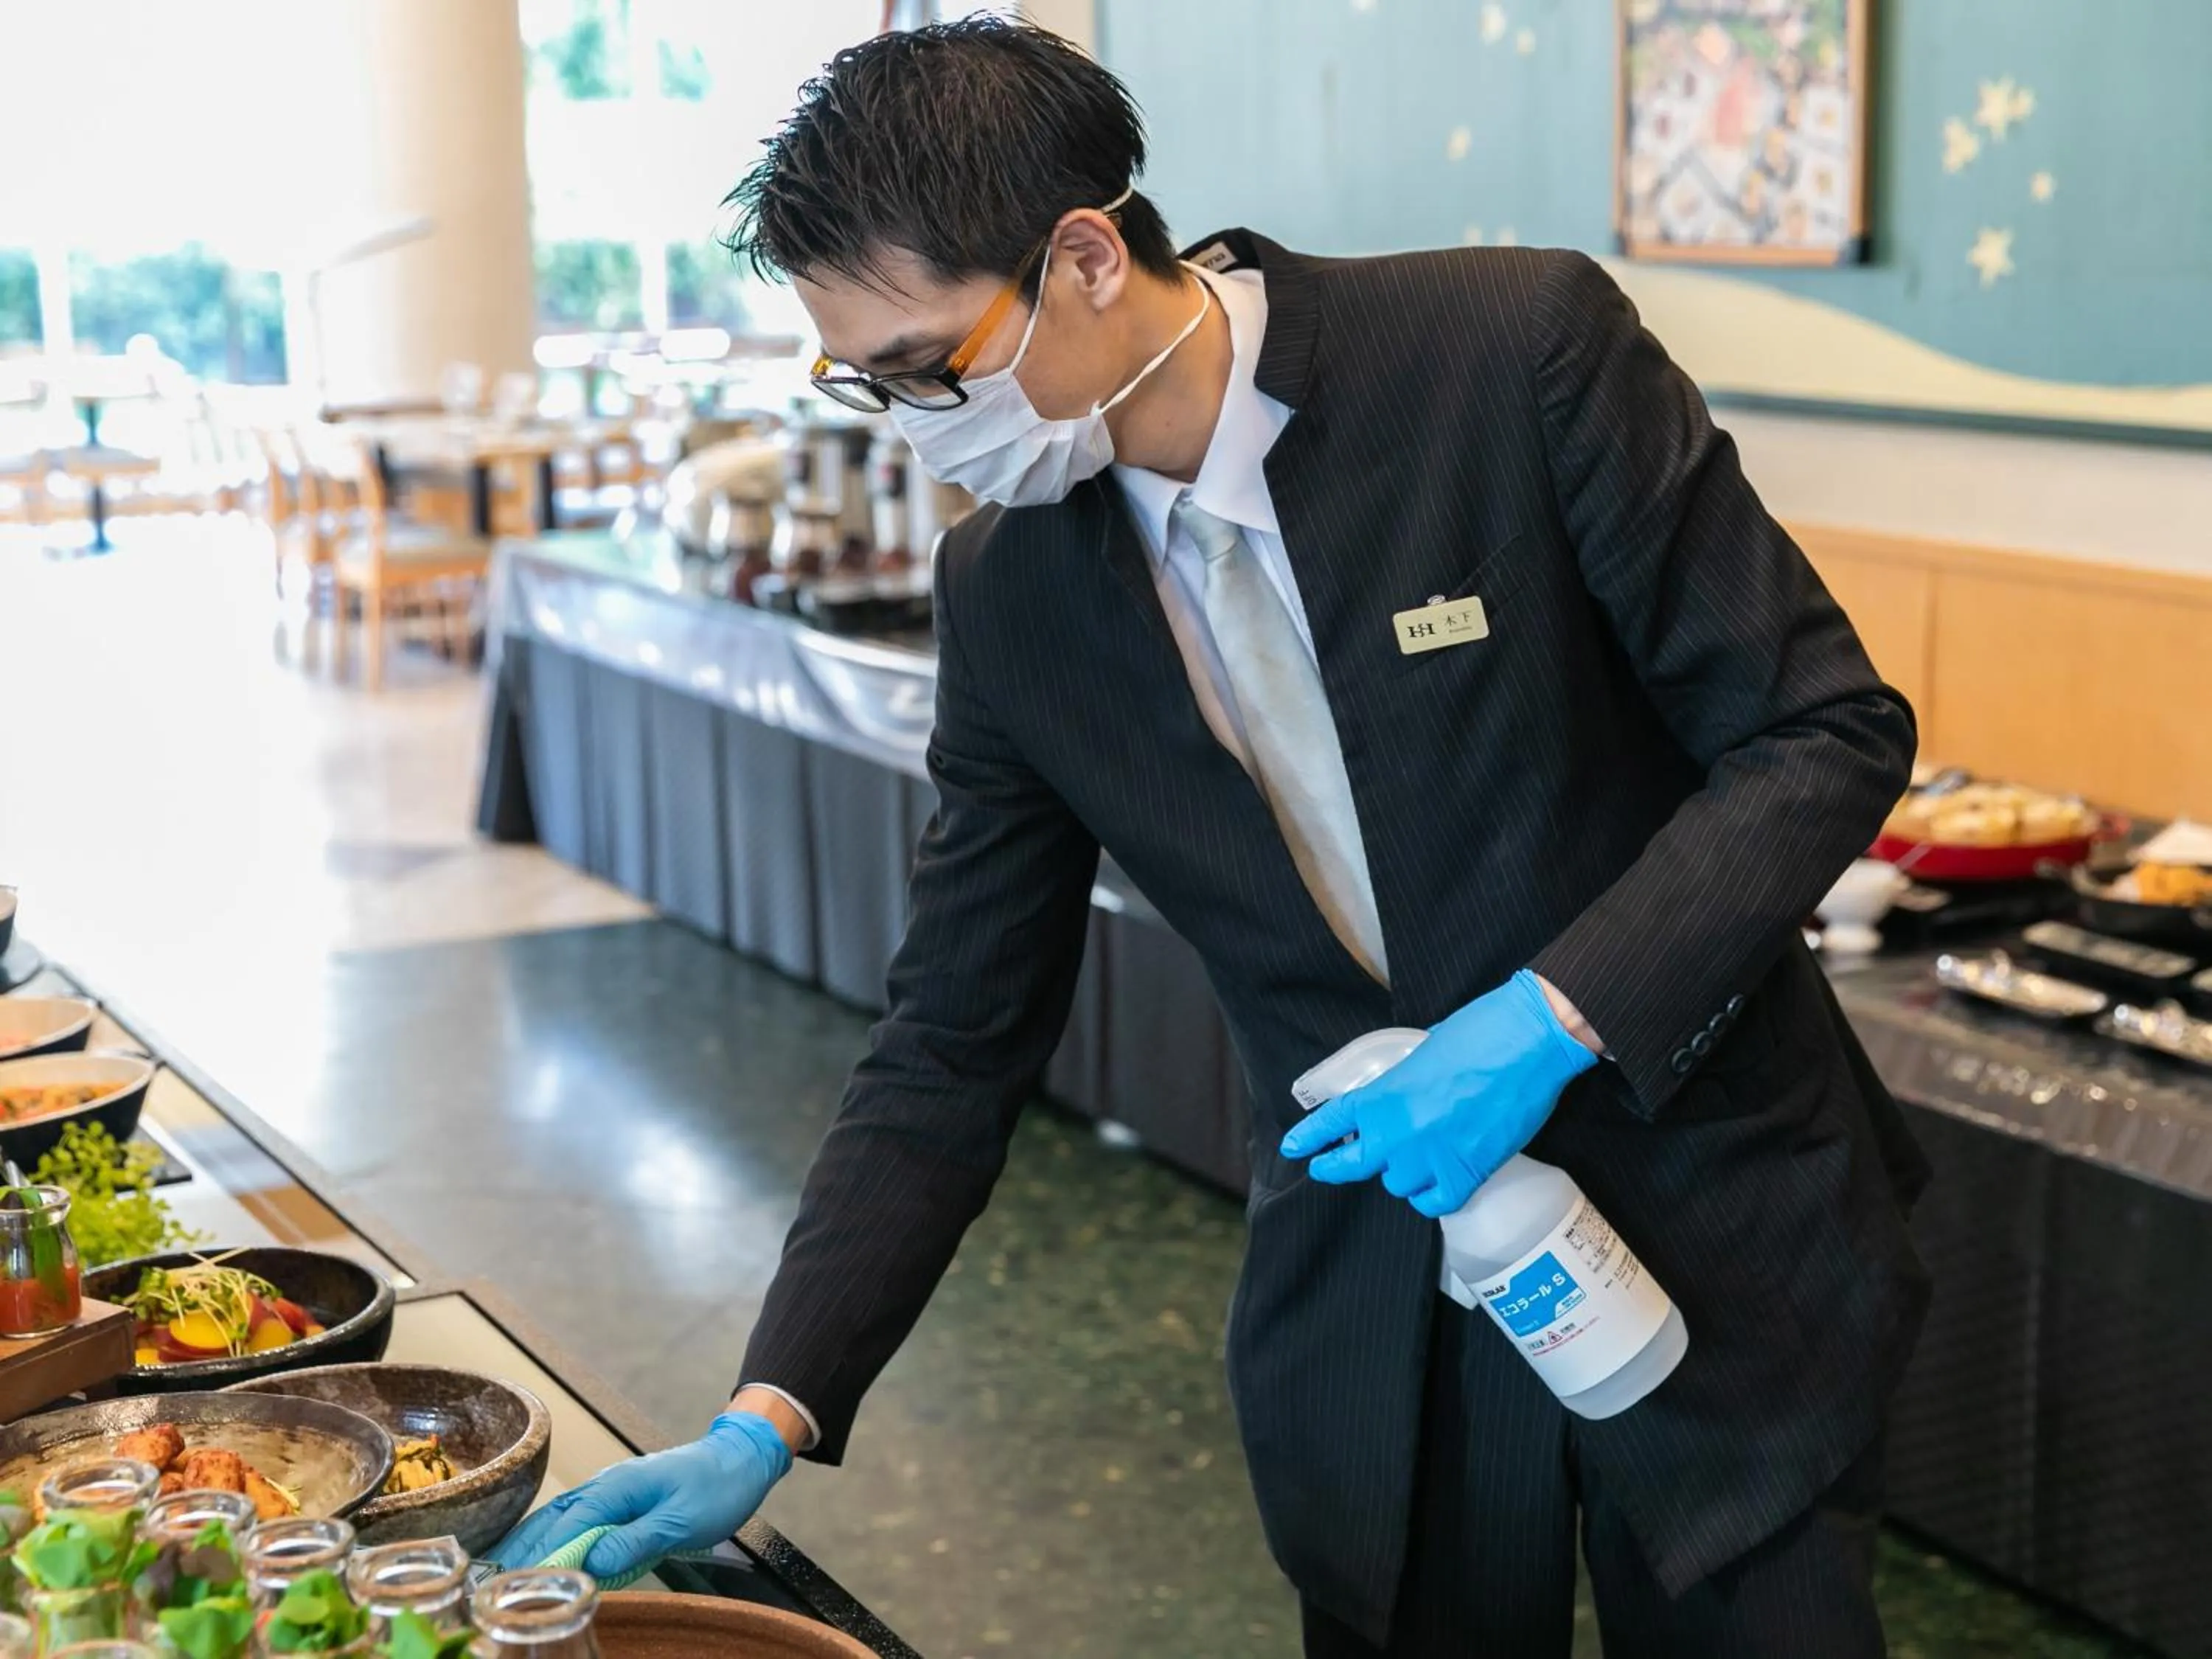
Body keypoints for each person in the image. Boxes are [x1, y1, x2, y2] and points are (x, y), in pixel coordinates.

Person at [494, 18, 1931, 1655]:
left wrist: (1547, 1022)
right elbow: (953, 1037)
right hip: (1380, 1300)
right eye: (862, 382)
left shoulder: (1504, 355)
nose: (913, 425)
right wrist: (773, 1405)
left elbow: (1821, 731)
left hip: (1719, 1224)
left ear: (1087, 256)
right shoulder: (1015, 595)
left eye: (927, 370)